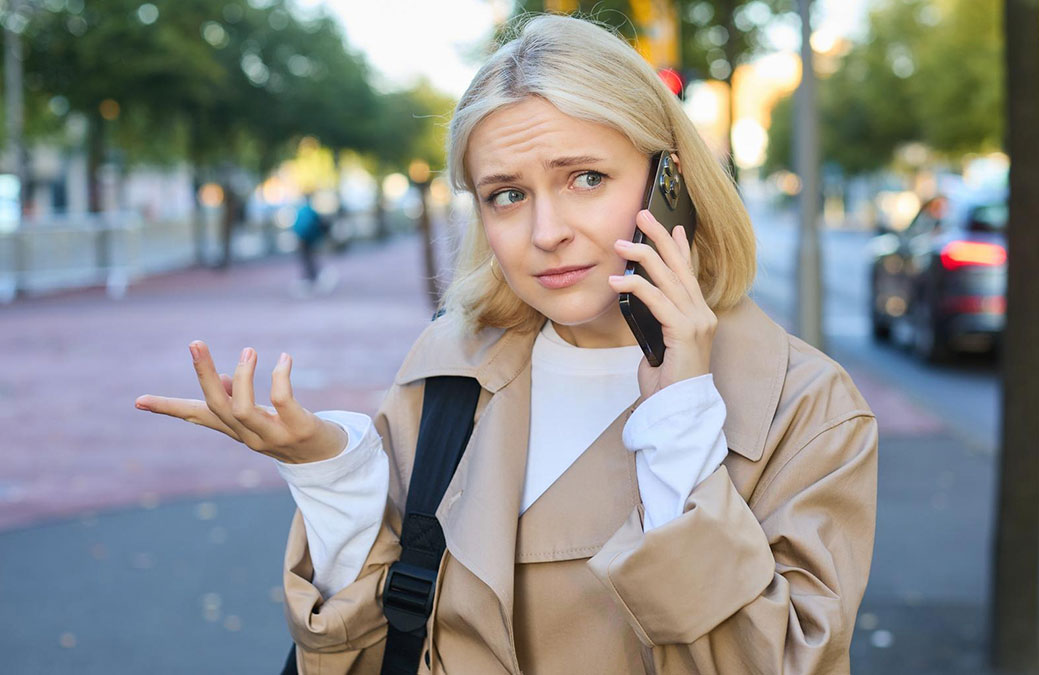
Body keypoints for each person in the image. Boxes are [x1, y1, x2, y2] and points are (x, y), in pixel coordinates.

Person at [134, 14, 877, 674]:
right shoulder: (448, 370)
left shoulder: (802, 407)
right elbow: (370, 649)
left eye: (585, 177)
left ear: (669, 180)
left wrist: (681, 419)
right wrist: (333, 476)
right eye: (507, 195)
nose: (546, 231)